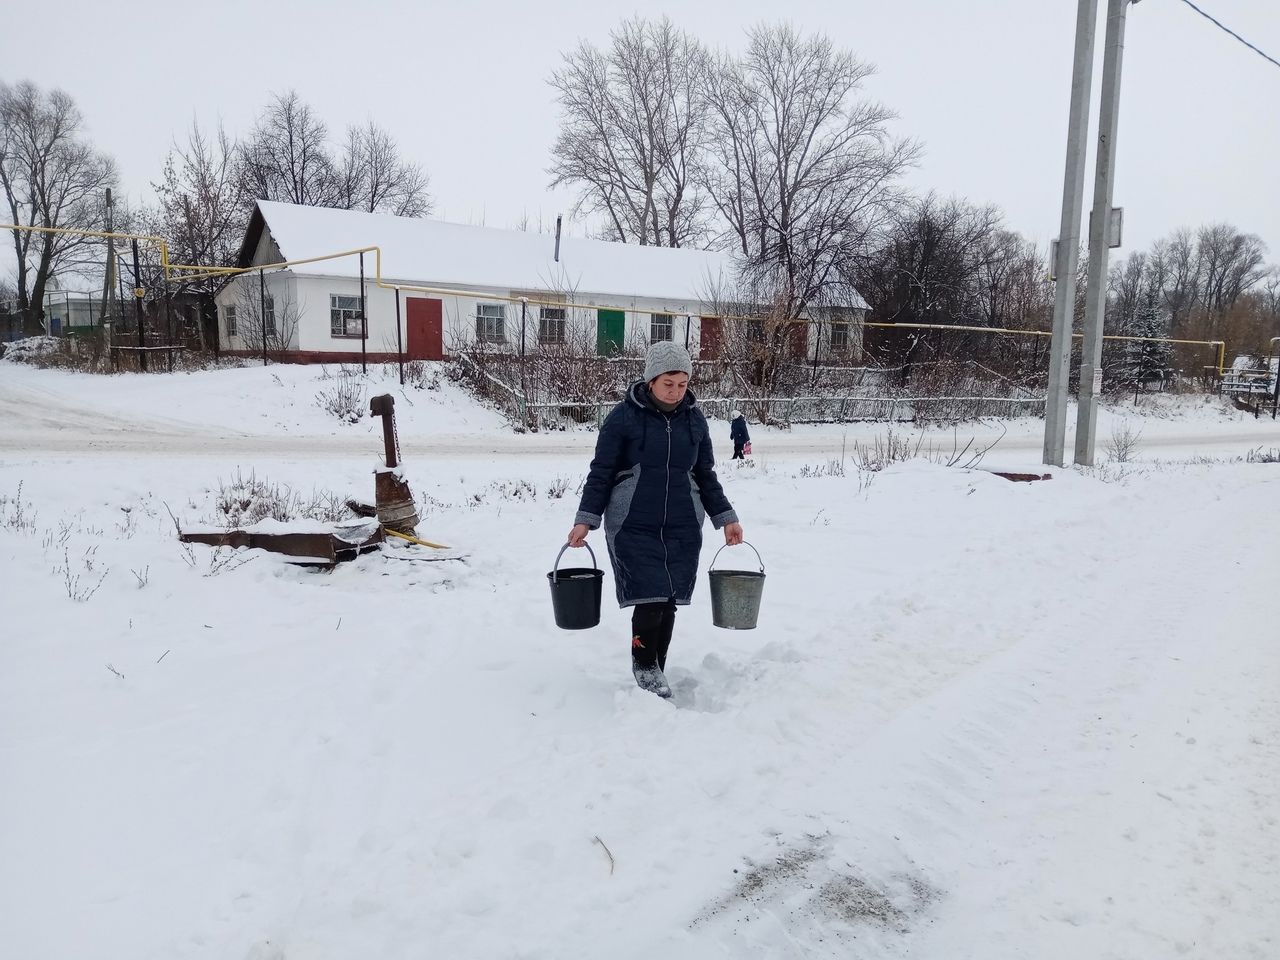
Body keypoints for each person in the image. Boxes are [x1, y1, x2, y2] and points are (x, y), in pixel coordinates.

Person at [567, 341, 744, 699]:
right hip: (632, 521)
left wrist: (726, 517)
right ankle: (644, 665)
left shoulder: (695, 420)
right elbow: (601, 471)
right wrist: (586, 519)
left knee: (668, 599)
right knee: (649, 597)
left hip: (682, 521)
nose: (676, 392)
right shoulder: (623, 418)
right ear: (651, 380)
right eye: (668, 384)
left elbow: (705, 474)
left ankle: (656, 663)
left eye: (682, 384)